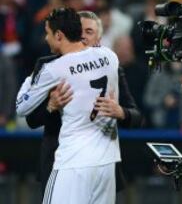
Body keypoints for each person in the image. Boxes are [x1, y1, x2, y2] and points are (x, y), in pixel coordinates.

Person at [25, 10, 142, 196]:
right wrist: (51, 106)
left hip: (102, 164)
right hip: (60, 161)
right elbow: (31, 120)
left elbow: (137, 118)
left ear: (99, 39)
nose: (82, 36)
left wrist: (121, 112)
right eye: (79, 30)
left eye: (89, 31)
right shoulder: (49, 66)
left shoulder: (111, 66)